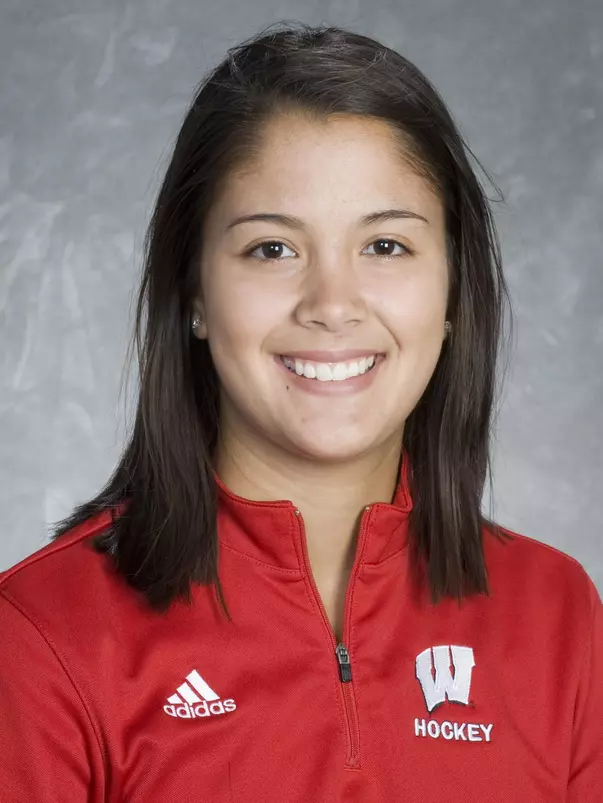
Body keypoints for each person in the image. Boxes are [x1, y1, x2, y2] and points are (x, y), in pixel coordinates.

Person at [0, 21, 601, 803]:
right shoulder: (41, 634)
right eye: (271, 249)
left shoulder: (558, 618)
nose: (331, 305)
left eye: (384, 246)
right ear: (194, 295)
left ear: (452, 293)